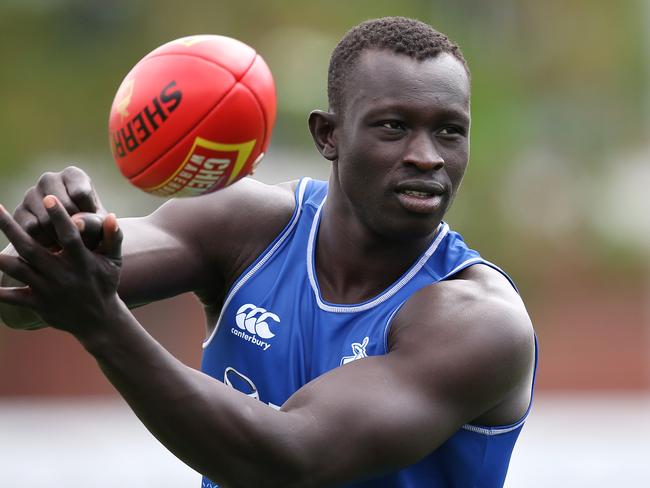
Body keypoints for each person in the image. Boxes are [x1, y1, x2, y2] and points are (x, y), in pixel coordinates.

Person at [0, 17, 536, 488]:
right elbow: (23, 304)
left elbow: (286, 461)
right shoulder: (244, 226)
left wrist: (101, 323)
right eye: (393, 127)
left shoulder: (479, 322)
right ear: (329, 135)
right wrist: (50, 247)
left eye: (449, 131)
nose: (426, 157)